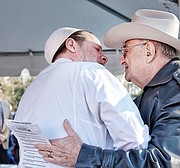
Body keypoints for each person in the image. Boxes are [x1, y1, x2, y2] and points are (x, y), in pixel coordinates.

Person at [35, 9, 180, 168]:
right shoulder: (159, 92)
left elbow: (163, 162)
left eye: (126, 50)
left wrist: (84, 155)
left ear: (149, 51)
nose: (121, 60)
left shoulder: (175, 92)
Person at [14, 27, 150, 167]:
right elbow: (135, 141)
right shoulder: (92, 72)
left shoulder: (30, 90)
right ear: (72, 45)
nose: (104, 58)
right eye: (97, 49)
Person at [0, 84, 13, 164]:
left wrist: (4, 136)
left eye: (0, 89)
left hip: (4, 143)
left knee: (6, 164)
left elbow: (10, 121)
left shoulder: (5, 104)